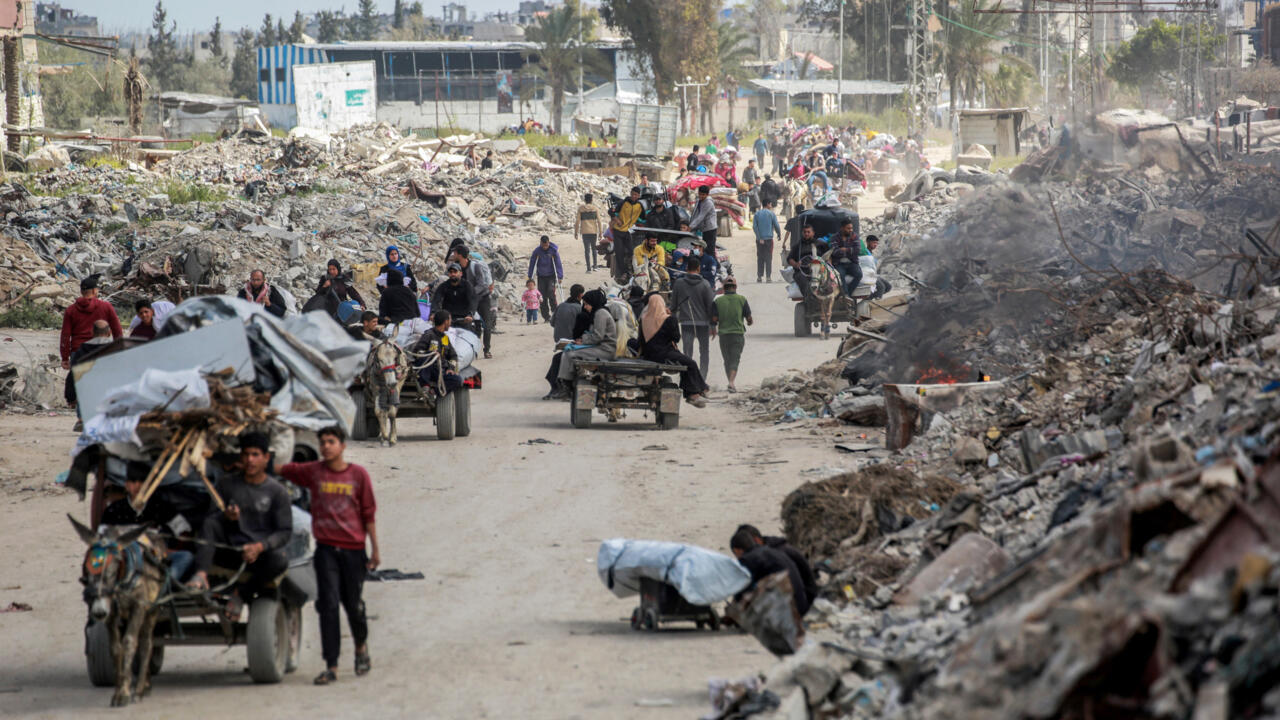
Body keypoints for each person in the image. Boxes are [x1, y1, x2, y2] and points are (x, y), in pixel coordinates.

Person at [279, 426, 379, 686]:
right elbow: (282, 469)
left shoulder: (358, 476)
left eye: (331, 442)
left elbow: (368, 514)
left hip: (354, 551)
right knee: (328, 607)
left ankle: (360, 648)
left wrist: (375, 549)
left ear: (343, 445)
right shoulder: (314, 472)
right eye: (322, 442)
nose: (326, 447)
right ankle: (331, 665)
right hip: (325, 551)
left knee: (354, 605)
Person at [188, 432, 292, 622]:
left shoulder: (277, 491)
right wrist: (226, 517)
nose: (250, 460)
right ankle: (201, 574)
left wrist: (260, 547)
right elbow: (211, 517)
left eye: (255, 455)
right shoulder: (227, 484)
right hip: (231, 549)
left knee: (280, 561)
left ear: (266, 458)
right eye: (245, 455)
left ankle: (240, 594)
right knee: (210, 523)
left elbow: (284, 532)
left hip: (259, 555)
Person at [100, 472, 195, 582]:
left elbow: (184, 529)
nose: (138, 486)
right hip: (125, 560)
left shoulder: (160, 506)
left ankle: (165, 585)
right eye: (133, 482)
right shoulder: (114, 510)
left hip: (155, 559)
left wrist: (169, 549)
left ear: (150, 485)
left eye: (142, 482)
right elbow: (101, 539)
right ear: (126, 485)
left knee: (186, 557)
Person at [638, 295, 708, 407]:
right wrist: (670, 318)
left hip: (649, 355)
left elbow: (640, 341)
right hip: (665, 354)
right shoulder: (669, 320)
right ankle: (693, 394)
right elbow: (676, 338)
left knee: (685, 361)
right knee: (690, 363)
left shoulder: (643, 319)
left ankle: (701, 389)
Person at [729, 527, 811, 616]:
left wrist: (734, 608)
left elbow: (742, 589)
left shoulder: (749, 558)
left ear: (737, 550)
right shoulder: (772, 551)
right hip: (803, 604)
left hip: (790, 612)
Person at [555, 290, 617, 388]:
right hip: (601, 348)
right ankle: (569, 382)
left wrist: (582, 340)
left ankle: (566, 384)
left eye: (587, 304)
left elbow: (597, 336)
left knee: (570, 354)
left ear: (593, 302)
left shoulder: (600, 314)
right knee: (570, 351)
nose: (585, 307)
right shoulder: (599, 312)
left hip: (606, 350)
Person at [60, 274, 122, 370]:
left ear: (81, 291)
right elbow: (117, 330)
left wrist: (65, 358)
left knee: (79, 383)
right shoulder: (106, 307)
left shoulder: (70, 310)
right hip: (101, 350)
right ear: (94, 290)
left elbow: (65, 335)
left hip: (78, 352)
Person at [670, 257, 715, 381]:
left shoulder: (679, 283)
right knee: (704, 352)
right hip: (703, 324)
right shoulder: (705, 284)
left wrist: (672, 327)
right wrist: (713, 324)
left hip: (686, 323)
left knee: (687, 353)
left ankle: (688, 378)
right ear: (699, 268)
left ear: (686, 268)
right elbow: (710, 306)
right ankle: (702, 378)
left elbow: (673, 306)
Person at [64, 320, 115, 420]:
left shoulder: (82, 350)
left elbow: (73, 374)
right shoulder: (116, 349)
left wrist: (70, 397)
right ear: (109, 333)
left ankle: (82, 419)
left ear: (92, 333)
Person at [451, 246, 494, 359]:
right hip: (468, 300)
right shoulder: (457, 268)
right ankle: (472, 349)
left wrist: (470, 292)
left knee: (487, 325)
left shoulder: (476, 266)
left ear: (460, 255)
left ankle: (487, 350)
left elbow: (483, 284)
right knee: (470, 324)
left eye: (454, 252)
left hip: (482, 299)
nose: (453, 254)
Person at [711, 278, 752, 393]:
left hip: (723, 335)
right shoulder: (742, 299)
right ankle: (731, 382)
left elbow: (714, 319)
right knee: (735, 359)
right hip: (737, 334)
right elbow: (749, 319)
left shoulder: (717, 301)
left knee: (727, 360)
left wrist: (714, 328)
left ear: (724, 288)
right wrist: (749, 322)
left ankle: (730, 381)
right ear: (735, 287)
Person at [412, 310, 463, 394]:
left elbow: (453, 356)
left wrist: (450, 368)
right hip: (429, 370)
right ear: (446, 321)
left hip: (441, 371)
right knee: (429, 355)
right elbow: (417, 351)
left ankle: (433, 392)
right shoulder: (429, 335)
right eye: (450, 320)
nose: (450, 323)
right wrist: (431, 354)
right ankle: (425, 385)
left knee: (457, 380)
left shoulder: (445, 338)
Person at [610, 186, 644, 284]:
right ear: (630, 193)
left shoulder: (639, 206)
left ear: (639, 196)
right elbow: (611, 211)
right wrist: (616, 220)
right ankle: (624, 272)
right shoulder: (623, 203)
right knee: (619, 253)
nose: (634, 196)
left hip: (628, 231)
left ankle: (631, 271)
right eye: (632, 194)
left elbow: (645, 217)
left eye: (636, 195)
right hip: (618, 231)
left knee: (631, 252)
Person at [430, 263, 476, 333]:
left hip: (464, 319)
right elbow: (436, 300)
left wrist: (470, 314)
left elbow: (473, 301)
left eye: (455, 272)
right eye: (451, 272)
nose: (453, 274)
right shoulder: (444, 286)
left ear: (461, 273)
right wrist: (433, 313)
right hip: (447, 320)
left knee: (467, 339)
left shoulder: (467, 285)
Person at [526, 235, 563, 322]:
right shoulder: (537, 251)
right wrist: (530, 276)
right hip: (541, 276)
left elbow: (558, 263)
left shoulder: (553, 250)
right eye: (543, 245)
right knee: (542, 296)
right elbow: (532, 263)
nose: (545, 247)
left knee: (551, 292)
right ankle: (546, 316)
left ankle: (554, 312)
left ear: (548, 243)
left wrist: (560, 276)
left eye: (546, 245)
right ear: (540, 243)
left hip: (551, 276)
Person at [826, 219, 866, 297]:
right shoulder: (834, 238)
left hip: (852, 263)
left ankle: (847, 295)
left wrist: (844, 249)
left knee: (859, 274)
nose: (850, 230)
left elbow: (857, 250)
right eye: (848, 228)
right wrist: (850, 250)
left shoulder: (854, 236)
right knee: (840, 275)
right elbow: (834, 252)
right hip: (839, 263)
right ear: (842, 228)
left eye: (851, 228)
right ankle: (845, 294)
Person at [753, 200, 781, 283]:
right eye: (770, 203)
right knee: (768, 258)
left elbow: (755, 227)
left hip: (759, 240)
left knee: (760, 258)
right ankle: (768, 277)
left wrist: (759, 237)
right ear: (768, 204)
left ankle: (759, 277)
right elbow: (776, 225)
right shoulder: (771, 214)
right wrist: (779, 234)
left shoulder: (757, 214)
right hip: (769, 240)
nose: (771, 205)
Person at [689, 184, 718, 255]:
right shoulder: (699, 201)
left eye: (703, 195)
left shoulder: (708, 203)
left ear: (707, 195)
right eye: (700, 194)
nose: (701, 196)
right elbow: (695, 213)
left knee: (710, 250)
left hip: (710, 229)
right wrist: (691, 224)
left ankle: (715, 265)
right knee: (705, 249)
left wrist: (691, 227)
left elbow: (700, 216)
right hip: (704, 229)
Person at [575, 194, 601, 272]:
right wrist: (601, 232)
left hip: (585, 232)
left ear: (585, 200)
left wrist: (575, 232)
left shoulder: (581, 209)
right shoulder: (595, 209)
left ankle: (588, 268)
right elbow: (599, 221)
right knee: (594, 249)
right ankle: (595, 266)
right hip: (593, 231)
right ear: (591, 200)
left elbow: (577, 222)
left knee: (587, 250)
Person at [864, 234, 892, 299]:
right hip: (867, 274)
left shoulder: (871, 253)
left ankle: (870, 298)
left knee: (888, 287)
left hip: (873, 274)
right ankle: (877, 300)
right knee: (881, 287)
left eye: (876, 243)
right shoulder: (864, 252)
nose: (875, 245)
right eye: (874, 243)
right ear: (868, 242)